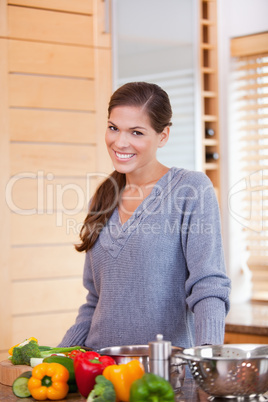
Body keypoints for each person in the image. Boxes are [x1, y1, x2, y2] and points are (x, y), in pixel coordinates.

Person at [58, 81, 231, 353]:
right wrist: (61, 354)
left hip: (165, 376)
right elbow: (95, 301)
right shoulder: (103, 198)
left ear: (163, 136)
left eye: (136, 132)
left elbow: (208, 285)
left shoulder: (191, 190)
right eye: (113, 128)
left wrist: (209, 358)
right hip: (99, 372)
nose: (120, 142)